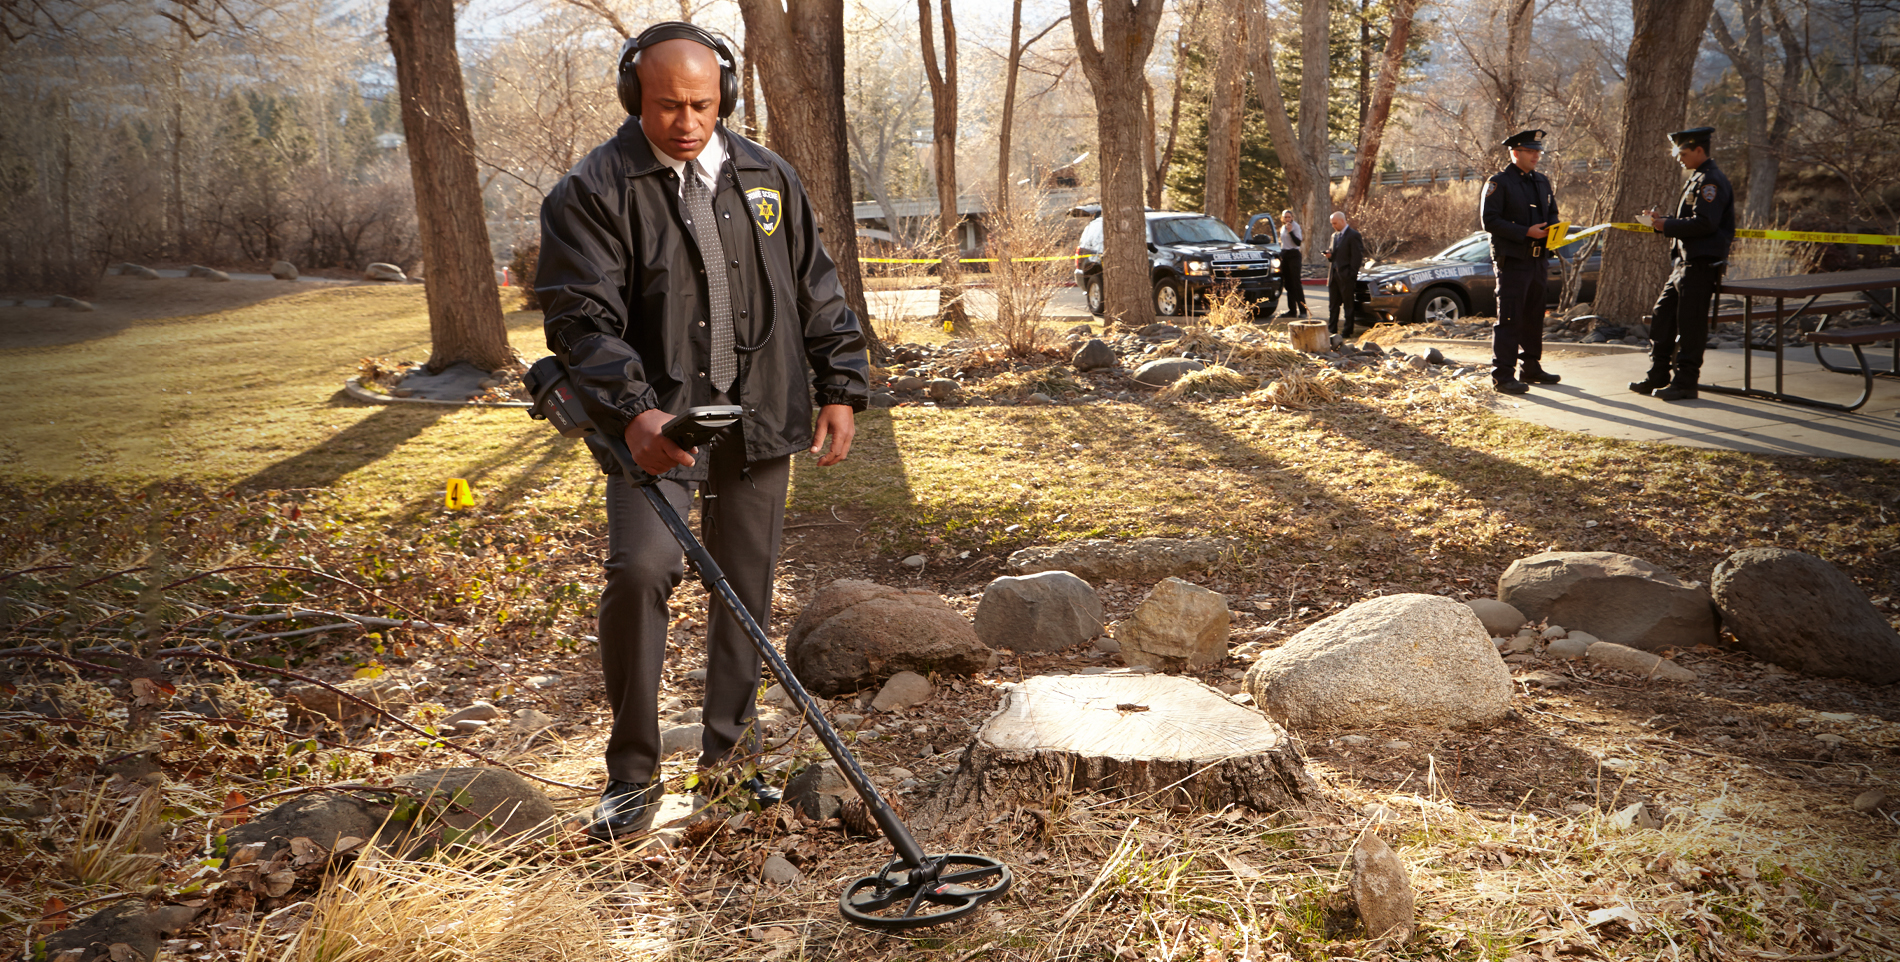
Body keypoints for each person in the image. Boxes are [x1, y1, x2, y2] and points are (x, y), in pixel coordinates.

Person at [535, 21, 870, 841]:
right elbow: (582, 321)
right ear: (632, 99)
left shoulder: (767, 176)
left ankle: (728, 767)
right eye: (666, 106)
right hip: (654, 425)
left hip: (761, 416)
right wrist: (634, 412)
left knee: (743, 591)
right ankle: (631, 776)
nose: (687, 122)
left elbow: (816, 289)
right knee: (640, 572)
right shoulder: (593, 191)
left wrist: (840, 385)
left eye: (702, 104)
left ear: (724, 95)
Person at [1631, 127, 1736, 401]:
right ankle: (1658, 375)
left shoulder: (1711, 181)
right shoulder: (1697, 178)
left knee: (1691, 326)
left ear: (1699, 150)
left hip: (1701, 264)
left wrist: (1666, 225)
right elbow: (1691, 219)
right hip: (1683, 263)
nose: (1679, 158)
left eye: (1684, 153)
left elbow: (1705, 223)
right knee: (1662, 316)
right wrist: (1660, 221)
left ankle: (1686, 382)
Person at [1481, 128, 1562, 394]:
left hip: (1539, 261)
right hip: (1514, 261)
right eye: (1530, 151)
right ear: (1515, 153)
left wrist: (1555, 230)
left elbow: (1552, 213)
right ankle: (1503, 375)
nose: (1536, 155)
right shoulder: (1499, 182)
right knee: (1510, 317)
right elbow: (1489, 221)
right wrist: (1525, 232)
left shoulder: (1542, 181)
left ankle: (1531, 367)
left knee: (1533, 316)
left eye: (1538, 151)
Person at [1323, 211, 1364, 338]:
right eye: (1332, 224)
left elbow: (1357, 257)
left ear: (1342, 221)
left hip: (1346, 275)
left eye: (1335, 223)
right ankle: (1332, 330)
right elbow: (1335, 256)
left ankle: (1347, 331)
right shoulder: (1334, 236)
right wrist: (1329, 256)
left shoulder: (1353, 235)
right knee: (1333, 305)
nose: (1333, 226)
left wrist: (1351, 274)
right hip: (1334, 275)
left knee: (1348, 305)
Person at [1276, 209, 1308, 317]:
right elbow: (1283, 243)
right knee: (1288, 284)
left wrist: (1291, 232)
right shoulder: (1282, 228)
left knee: (1296, 283)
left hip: (1294, 255)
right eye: (1285, 217)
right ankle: (1292, 310)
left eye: (1289, 217)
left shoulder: (1295, 227)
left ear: (1292, 217)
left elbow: (1298, 242)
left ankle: (1303, 310)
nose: (1287, 219)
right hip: (1285, 255)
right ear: (1283, 218)